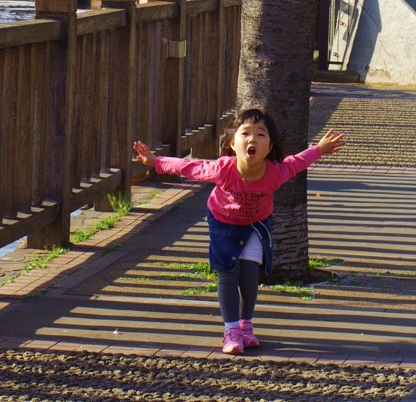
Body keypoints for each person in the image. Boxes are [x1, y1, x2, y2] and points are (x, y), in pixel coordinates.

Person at [133, 107, 346, 355]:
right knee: (227, 274)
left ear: (269, 147)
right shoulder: (224, 168)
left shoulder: (276, 172)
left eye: (261, 134)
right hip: (223, 223)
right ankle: (231, 329)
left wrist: (319, 149)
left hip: (256, 225)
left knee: (249, 274)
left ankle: (246, 324)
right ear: (233, 144)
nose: (252, 139)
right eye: (245, 133)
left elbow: (297, 163)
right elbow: (189, 167)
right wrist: (155, 161)